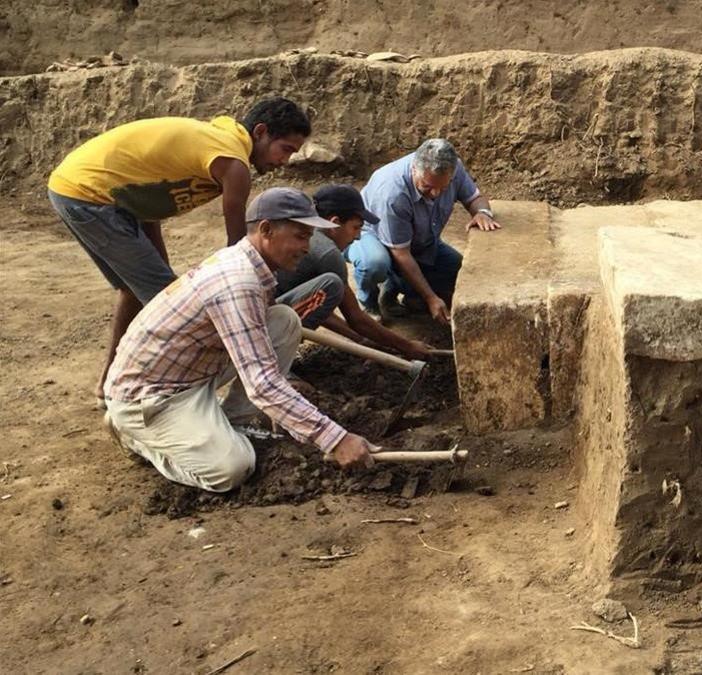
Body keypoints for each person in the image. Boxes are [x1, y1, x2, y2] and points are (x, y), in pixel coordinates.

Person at [103, 188, 377, 493]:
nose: (306, 247)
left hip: (191, 372)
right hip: (150, 396)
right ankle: (137, 437)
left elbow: (258, 362)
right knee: (233, 468)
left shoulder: (251, 266)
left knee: (284, 320)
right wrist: (336, 438)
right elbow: (262, 383)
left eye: (309, 237)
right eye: (301, 236)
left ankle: (232, 421)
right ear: (266, 230)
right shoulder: (238, 282)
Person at [47, 98, 312, 405]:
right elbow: (241, 252)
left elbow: (151, 192)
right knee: (173, 304)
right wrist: (257, 327)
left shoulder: (218, 143)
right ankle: (160, 397)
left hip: (84, 190)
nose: (286, 161)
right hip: (90, 194)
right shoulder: (233, 161)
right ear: (261, 132)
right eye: (286, 149)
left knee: (137, 289)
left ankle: (108, 383)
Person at [348, 138, 501, 324]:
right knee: (375, 263)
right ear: (414, 169)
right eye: (427, 186)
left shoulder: (453, 168)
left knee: (459, 271)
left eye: (443, 188)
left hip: (420, 240)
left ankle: (404, 291)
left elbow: (474, 198)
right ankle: (369, 303)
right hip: (371, 235)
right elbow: (401, 253)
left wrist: (482, 213)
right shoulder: (392, 192)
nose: (436, 193)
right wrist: (430, 298)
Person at [274, 184, 433, 358]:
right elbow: (357, 319)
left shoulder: (309, 237)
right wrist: (407, 346)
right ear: (334, 223)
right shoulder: (328, 253)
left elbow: (312, 308)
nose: (357, 237)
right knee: (333, 285)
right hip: (267, 326)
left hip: (263, 316)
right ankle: (277, 360)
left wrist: (361, 340)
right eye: (356, 227)